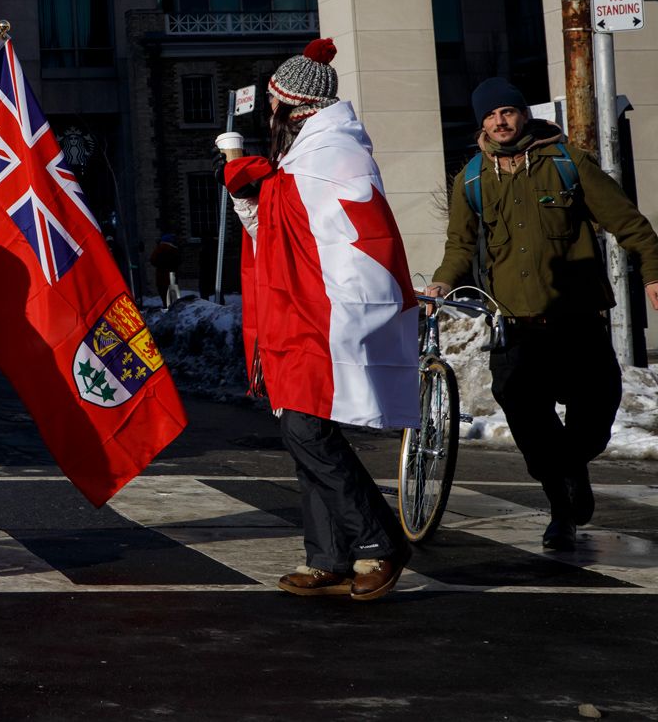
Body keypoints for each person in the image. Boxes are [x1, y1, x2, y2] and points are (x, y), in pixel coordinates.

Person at [222, 39, 419, 601]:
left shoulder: (331, 151)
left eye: (273, 104)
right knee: (306, 431)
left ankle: (380, 541)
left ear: (288, 105)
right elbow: (282, 231)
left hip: (327, 311)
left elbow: (318, 219)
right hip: (303, 309)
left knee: (307, 430)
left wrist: (248, 173)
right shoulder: (308, 153)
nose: (268, 113)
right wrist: (249, 193)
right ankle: (329, 557)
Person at [426, 76, 658, 550]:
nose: (500, 120)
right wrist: (443, 280)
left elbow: (628, 222)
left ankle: (574, 467)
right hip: (516, 326)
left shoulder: (569, 164)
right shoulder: (471, 178)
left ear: (522, 113)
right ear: (482, 124)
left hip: (577, 320)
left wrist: (653, 273)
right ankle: (560, 509)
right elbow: (460, 243)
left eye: (507, 111)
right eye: (490, 115)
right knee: (527, 417)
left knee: (595, 416)